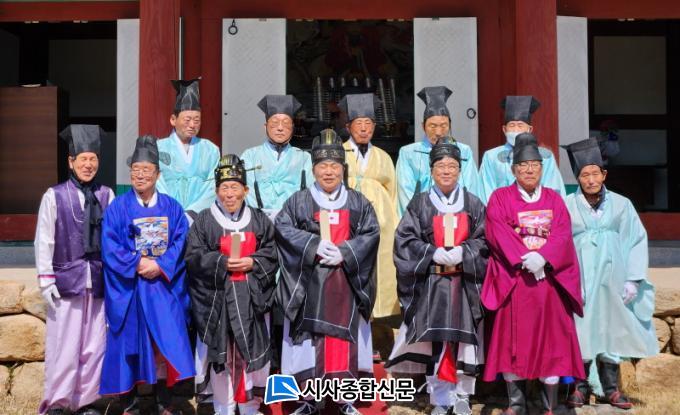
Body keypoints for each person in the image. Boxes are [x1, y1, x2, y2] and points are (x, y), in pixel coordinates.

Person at [275, 129, 380, 415]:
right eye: (323, 166)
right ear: (313, 169)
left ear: (343, 169)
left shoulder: (358, 202)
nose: (329, 172)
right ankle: (308, 400)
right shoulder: (298, 201)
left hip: (347, 284)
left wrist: (346, 251)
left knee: (343, 343)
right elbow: (282, 229)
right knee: (309, 346)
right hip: (310, 286)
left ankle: (345, 399)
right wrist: (314, 245)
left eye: (334, 166)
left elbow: (371, 233)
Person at [481, 133, 585, 415]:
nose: (529, 170)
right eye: (523, 165)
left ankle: (549, 404)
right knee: (512, 342)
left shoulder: (554, 199)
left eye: (535, 165)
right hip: (516, 281)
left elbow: (562, 233)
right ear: (513, 169)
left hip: (548, 282)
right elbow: (497, 230)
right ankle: (516, 403)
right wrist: (526, 259)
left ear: (542, 168)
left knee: (551, 342)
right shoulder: (500, 198)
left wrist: (544, 257)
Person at [386, 138, 488, 415]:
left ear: (460, 170)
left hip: (464, 284)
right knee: (436, 341)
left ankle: (463, 395)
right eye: (440, 166)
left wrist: (464, 252)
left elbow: (485, 240)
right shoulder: (420, 204)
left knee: (465, 342)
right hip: (432, 284)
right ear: (431, 170)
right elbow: (404, 240)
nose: (446, 171)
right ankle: (440, 397)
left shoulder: (473, 203)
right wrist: (432, 253)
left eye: (452, 166)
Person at [100, 136, 195, 414]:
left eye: (146, 170)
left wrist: (161, 265)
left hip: (162, 287)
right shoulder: (117, 207)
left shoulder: (172, 207)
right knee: (128, 344)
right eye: (135, 170)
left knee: (165, 343)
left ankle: (165, 401)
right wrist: (137, 262)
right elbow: (110, 245)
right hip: (131, 287)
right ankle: (131, 403)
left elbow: (181, 241)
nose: (140, 175)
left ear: (158, 174)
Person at [563, 138, 657, 410]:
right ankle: (579, 387)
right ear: (578, 178)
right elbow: (560, 243)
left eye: (595, 173)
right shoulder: (567, 205)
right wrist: (568, 282)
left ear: (604, 174)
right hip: (580, 280)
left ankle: (611, 388)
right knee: (581, 330)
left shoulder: (622, 204)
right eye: (585, 175)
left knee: (611, 329)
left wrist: (633, 279)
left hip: (612, 279)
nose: (591, 180)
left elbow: (636, 239)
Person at [185, 154, 279, 415]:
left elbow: (271, 252)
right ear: (216, 191)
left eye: (235, 187)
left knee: (251, 352)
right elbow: (193, 257)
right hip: (217, 302)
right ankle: (223, 406)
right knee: (221, 356)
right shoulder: (205, 220)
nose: (229, 194)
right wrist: (221, 263)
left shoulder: (259, 219)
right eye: (224, 187)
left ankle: (249, 405)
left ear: (245, 190)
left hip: (251, 301)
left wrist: (252, 262)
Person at [36, 125, 115, 415]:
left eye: (93, 159)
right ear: (71, 161)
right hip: (66, 282)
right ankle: (57, 403)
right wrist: (46, 280)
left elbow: (114, 240)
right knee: (63, 345)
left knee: (94, 345)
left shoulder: (107, 195)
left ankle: (86, 402)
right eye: (83, 159)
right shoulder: (54, 195)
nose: (88, 164)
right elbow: (44, 239)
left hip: (98, 280)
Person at [339, 93, 399, 320]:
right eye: (358, 123)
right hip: (350, 217)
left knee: (381, 265)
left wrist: (391, 221)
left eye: (368, 123)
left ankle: (380, 317)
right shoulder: (339, 152)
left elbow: (392, 192)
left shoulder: (383, 156)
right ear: (348, 126)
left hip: (382, 219)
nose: (364, 129)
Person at [396, 86, 481, 216]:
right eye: (432, 126)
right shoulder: (408, 153)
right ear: (423, 126)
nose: (438, 132)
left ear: (450, 125)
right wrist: (418, 219)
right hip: (420, 218)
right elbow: (405, 192)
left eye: (443, 125)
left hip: (459, 217)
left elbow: (471, 188)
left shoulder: (464, 152)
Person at [478, 96, 565, 203]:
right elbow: (485, 191)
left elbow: (553, 188)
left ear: (529, 129)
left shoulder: (545, 156)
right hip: (501, 210)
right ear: (504, 129)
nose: (516, 130)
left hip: (538, 210)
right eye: (512, 125)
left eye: (520, 125)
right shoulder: (491, 156)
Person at [240, 94, 313, 221]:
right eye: (274, 123)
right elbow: (246, 193)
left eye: (286, 123)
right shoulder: (250, 156)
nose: (280, 128)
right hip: (259, 221)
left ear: (292, 128)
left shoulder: (303, 158)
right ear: (265, 127)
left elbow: (310, 193)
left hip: (294, 222)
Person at [156, 78, 221, 215]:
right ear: (173, 120)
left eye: (197, 120)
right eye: (187, 120)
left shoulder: (210, 150)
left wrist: (192, 213)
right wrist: (173, 212)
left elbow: (212, 187)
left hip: (200, 217)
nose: (192, 125)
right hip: (167, 214)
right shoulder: (158, 148)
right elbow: (157, 184)